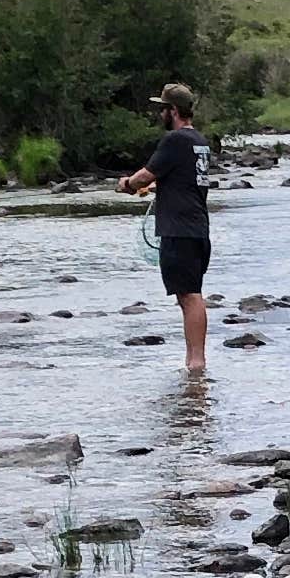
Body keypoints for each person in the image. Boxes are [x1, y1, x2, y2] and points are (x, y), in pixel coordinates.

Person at [122, 81, 210, 373]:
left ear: (173, 110)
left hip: (179, 230)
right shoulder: (199, 141)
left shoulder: (174, 140)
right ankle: (194, 363)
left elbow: (143, 176)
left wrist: (127, 184)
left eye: (162, 109)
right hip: (197, 228)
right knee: (189, 294)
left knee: (189, 296)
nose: (159, 114)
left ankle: (196, 363)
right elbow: (183, 180)